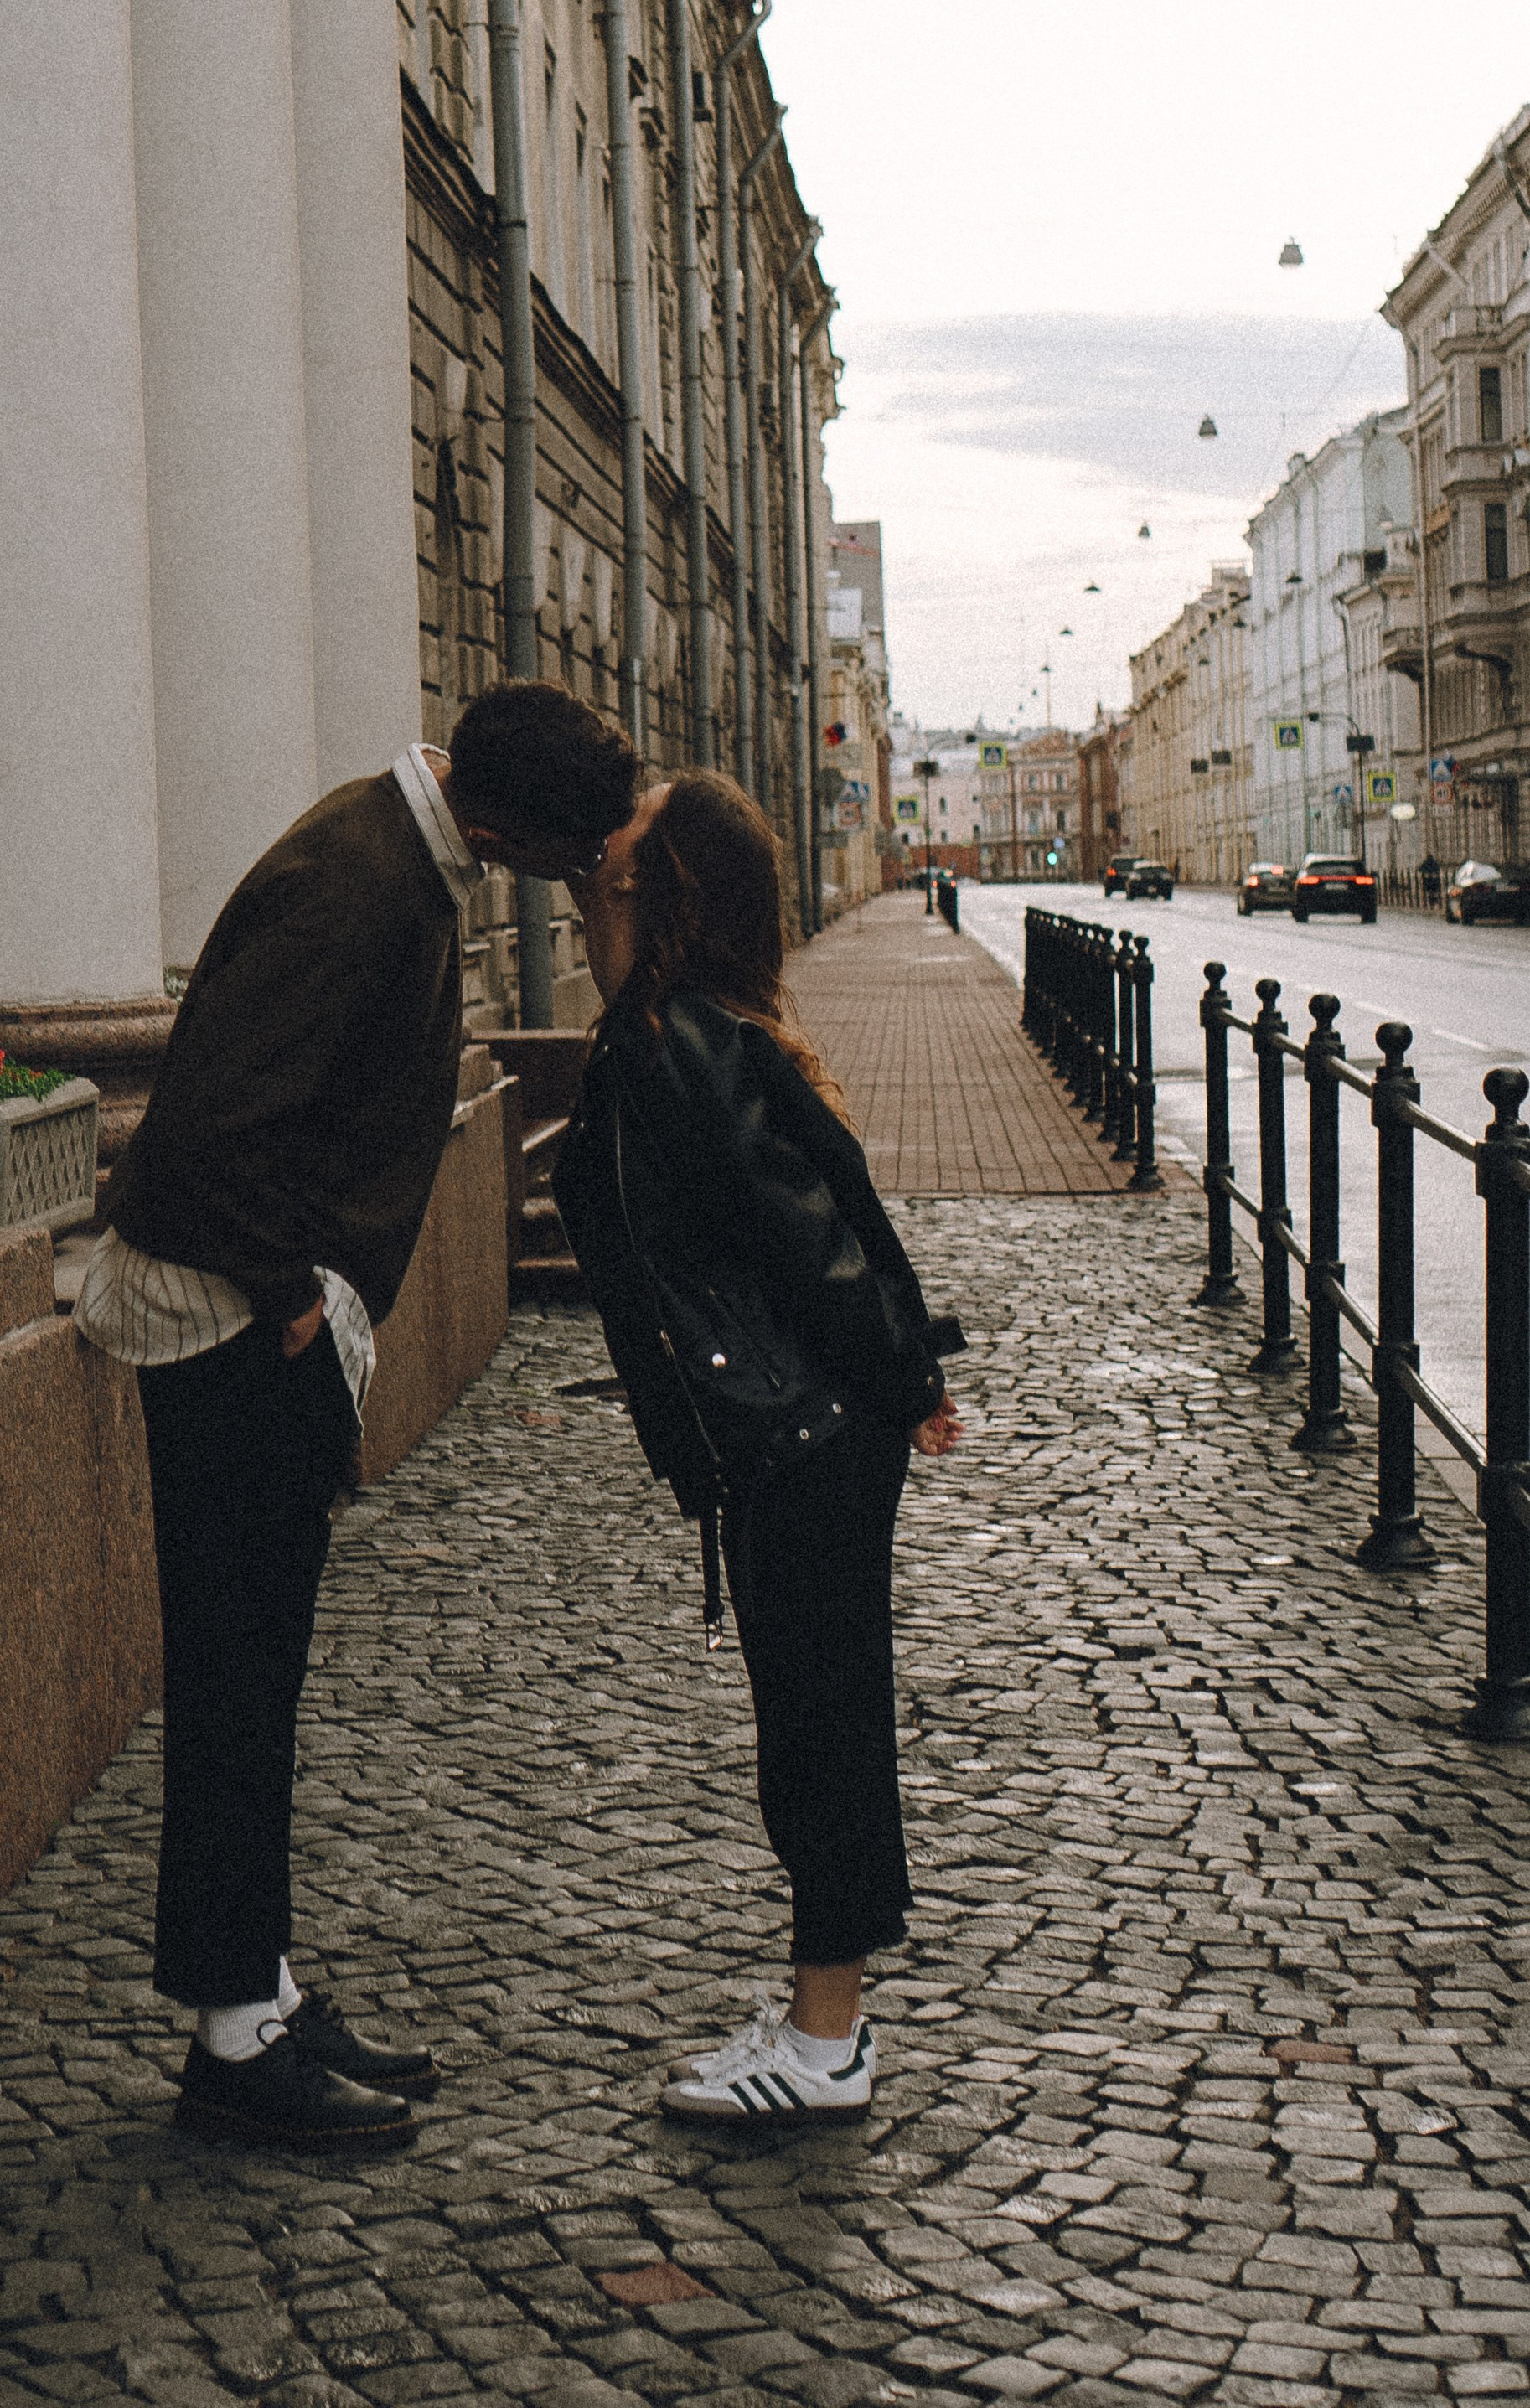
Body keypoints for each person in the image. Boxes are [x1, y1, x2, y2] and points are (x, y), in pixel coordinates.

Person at [77, 682, 640, 2155]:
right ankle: (233, 2045)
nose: (567, 884)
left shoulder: (398, 851)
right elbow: (201, 1126)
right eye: (565, 857)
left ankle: (253, 1992)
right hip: (227, 1327)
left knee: (254, 1685)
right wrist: (289, 1293)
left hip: (253, 1317)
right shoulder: (360, 881)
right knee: (235, 1687)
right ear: (504, 817)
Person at [553, 771, 964, 2123]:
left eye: (631, 823)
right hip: (794, 1428)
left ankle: (827, 2041)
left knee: (822, 1729)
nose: (605, 829)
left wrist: (902, 1382)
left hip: (805, 1432)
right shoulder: (677, 1025)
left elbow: (819, 1241)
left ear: (656, 881)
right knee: (810, 1721)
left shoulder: (680, 1040)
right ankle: (815, 2017)